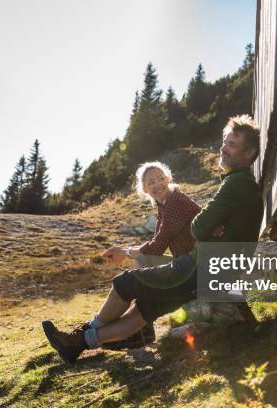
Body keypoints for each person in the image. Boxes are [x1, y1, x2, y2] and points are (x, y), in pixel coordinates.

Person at [43, 114, 264, 364]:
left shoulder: (236, 184)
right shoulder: (238, 184)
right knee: (143, 309)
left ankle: (82, 334)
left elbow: (198, 226)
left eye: (232, 144)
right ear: (145, 189)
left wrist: (207, 224)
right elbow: (201, 225)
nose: (223, 147)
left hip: (201, 268)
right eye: (225, 141)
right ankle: (78, 344)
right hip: (209, 269)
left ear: (249, 153)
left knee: (124, 283)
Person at [99, 161, 201, 349]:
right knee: (142, 260)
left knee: (142, 260)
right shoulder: (164, 204)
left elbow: (156, 248)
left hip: (197, 267)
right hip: (188, 264)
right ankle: (140, 331)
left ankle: (140, 331)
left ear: (168, 179)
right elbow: (155, 242)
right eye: (151, 182)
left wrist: (125, 252)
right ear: (144, 189)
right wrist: (124, 250)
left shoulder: (175, 203)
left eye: (161, 179)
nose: (158, 184)